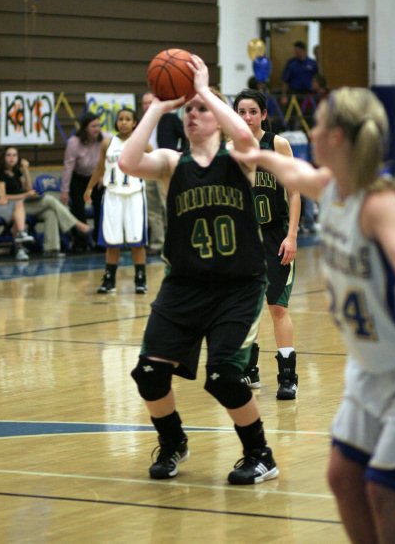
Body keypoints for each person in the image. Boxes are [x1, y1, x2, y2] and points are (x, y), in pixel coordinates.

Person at [231, 87, 395, 543]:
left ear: (336, 138)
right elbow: (261, 152)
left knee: (381, 489)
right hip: (368, 370)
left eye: (317, 126)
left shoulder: (378, 202)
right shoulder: (328, 188)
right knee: (342, 477)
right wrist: (200, 92)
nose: (308, 132)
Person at [119, 55, 278, 486]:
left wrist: (204, 89)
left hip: (237, 288)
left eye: (201, 109)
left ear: (217, 115)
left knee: (225, 376)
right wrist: (158, 105)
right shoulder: (172, 164)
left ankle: (260, 454)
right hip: (184, 286)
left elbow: (245, 135)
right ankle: (172, 443)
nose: (193, 114)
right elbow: (128, 163)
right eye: (188, 110)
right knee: (148, 373)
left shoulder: (237, 159)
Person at [232, 89, 301, 399]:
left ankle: (288, 376)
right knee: (246, 308)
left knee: (277, 307)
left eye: (252, 111)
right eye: (241, 112)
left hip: (275, 235)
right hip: (243, 240)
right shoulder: (229, 149)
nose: (247, 117)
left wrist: (292, 235)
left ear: (262, 114)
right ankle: (249, 370)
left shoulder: (277, 144)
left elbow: (295, 192)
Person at [85, 107, 147, 294]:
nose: (124, 122)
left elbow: (157, 162)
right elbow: (99, 168)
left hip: (135, 194)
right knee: (112, 241)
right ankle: (109, 279)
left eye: (128, 119)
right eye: (120, 119)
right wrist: (89, 187)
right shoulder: (107, 143)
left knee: (137, 241)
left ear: (135, 123)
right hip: (112, 195)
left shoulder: (141, 143)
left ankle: (140, 279)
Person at [0, 146, 90, 258]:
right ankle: (77, 224)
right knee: (49, 200)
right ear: (3, 157)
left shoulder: (16, 172)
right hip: (12, 207)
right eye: (9, 155)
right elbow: (3, 197)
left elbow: (29, 188)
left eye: (14, 155)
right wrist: (25, 195)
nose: (12, 158)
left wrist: (25, 170)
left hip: (25, 203)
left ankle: (51, 249)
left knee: (50, 212)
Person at [141, 92, 186, 255]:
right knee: (152, 209)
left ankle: (173, 241)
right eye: (144, 103)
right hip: (149, 168)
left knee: (168, 206)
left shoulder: (169, 118)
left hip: (166, 166)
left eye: (149, 102)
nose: (147, 106)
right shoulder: (142, 123)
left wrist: (179, 155)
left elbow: (185, 135)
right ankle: (157, 242)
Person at [60, 113, 109, 252]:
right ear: (85, 128)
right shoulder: (73, 142)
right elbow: (68, 167)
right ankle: (81, 242)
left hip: (97, 177)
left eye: (98, 125)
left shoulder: (105, 139)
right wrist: (65, 190)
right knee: (78, 208)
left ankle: (100, 240)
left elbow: (111, 160)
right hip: (79, 178)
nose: (97, 129)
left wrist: (103, 176)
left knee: (101, 207)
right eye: (93, 126)